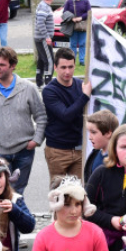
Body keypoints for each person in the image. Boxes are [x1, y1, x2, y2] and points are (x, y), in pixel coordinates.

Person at [0, 46, 47, 194]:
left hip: (24, 151)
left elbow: (42, 117)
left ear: (12, 66)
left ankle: (15, 217)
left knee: (17, 193)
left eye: (2, 65)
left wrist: (36, 140)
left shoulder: (27, 88)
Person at [42, 48, 92, 182]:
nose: (67, 71)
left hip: (79, 149)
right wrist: (85, 96)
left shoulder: (80, 85)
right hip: (57, 150)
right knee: (59, 196)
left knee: (78, 194)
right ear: (55, 67)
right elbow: (66, 115)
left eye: (71, 67)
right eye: (63, 67)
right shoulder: (49, 91)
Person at [84, 109, 118, 182]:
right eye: (89, 132)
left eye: (93, 132)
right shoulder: (93, 155)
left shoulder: (119, 160)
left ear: (108, 133)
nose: (89, 137)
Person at [33, 0, 55, 88]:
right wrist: (47, 37)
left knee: (41, 60)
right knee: (49, 60)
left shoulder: (42, 5)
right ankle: (48, 82)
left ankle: (39, 81)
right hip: (43, 39)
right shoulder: (44, 7)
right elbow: (40, 23)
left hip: (40, 38)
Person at [63, 0, 91, 65]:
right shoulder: (69, 1)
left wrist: (81, 17)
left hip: (82, 26)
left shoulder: (86, 1)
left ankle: (82, 60)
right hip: (72, 26)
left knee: (82, 43)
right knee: (73, 44)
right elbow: (65, 12)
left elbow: (89, 12)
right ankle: (73, 60)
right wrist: (72, 18)